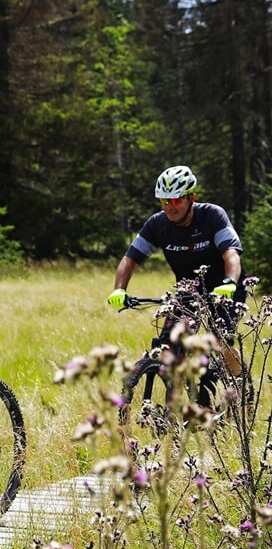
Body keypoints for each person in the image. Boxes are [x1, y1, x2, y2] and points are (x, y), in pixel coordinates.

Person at [108, 164, 246, 402]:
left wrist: (229, 283)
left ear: (191, 197)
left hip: (226, 289)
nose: (170, 207)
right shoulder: (157, 225)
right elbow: (130, 259)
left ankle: (240, 392)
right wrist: (119, 289)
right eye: (164, 201)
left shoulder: (212, 216)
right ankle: (174, 410)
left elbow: (231, 255)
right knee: (168, 350)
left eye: (176, 201)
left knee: (219, 344)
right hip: (188, 294)